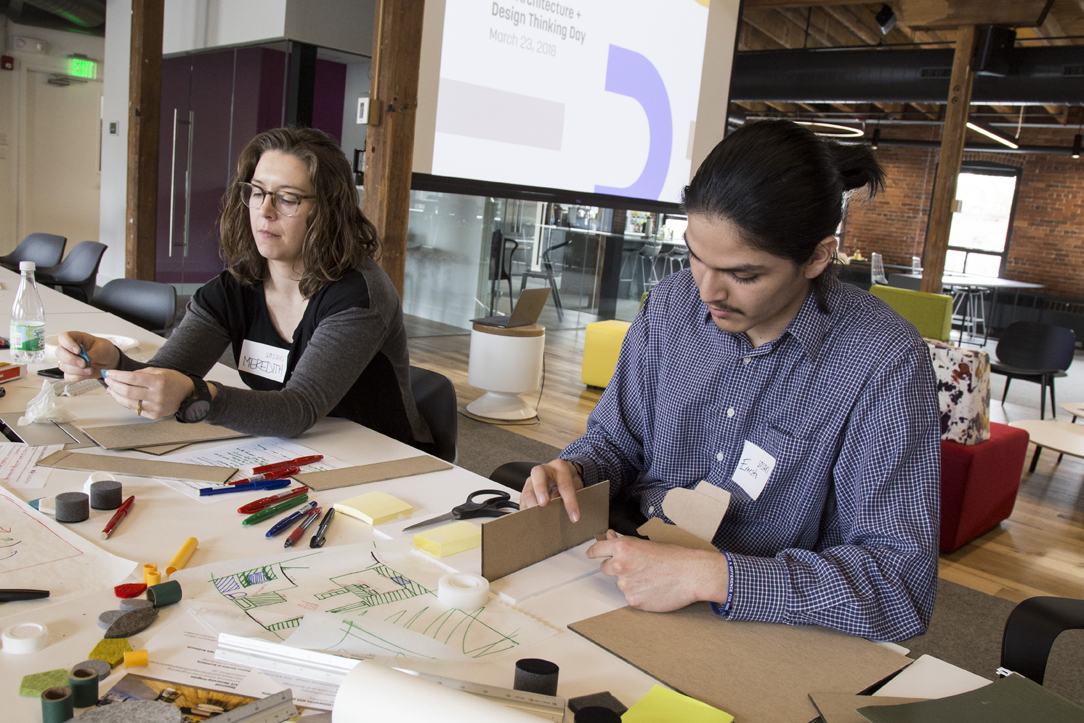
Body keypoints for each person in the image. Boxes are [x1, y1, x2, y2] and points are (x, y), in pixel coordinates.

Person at [520, 120, 940, 642]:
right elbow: (615, 442)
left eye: (743, 276)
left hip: (768, 630)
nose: (707, 292)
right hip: (624, 576)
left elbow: (900, 585)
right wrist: (576, 470)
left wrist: (711, 576)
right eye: (695, 257)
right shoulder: (672, 305)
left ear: (817, 257)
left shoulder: (882, 360)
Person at [58, 127, 434, 449]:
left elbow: (298, 408)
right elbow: (168, 375)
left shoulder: (358, 295)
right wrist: (114, 366)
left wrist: (199, 396)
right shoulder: (235, 287)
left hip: (382, 459)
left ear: (328, 210)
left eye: (287, 198)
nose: (265, 211)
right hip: (287, 449)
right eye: (257, 192)